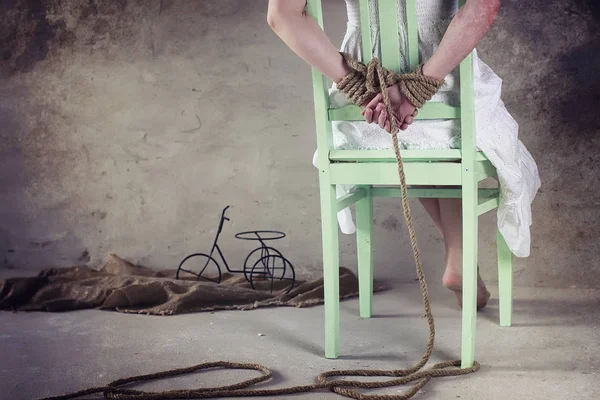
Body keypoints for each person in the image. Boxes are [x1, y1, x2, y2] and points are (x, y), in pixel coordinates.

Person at [267, 0, 541, 309]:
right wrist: (419, 88)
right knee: (446, 139)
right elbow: (484, 8)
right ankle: (462, 259)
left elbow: (281, 14)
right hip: (447, 89)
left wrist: (360, 86)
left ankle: (461, 258)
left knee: (414, 141)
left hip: (365, 111)